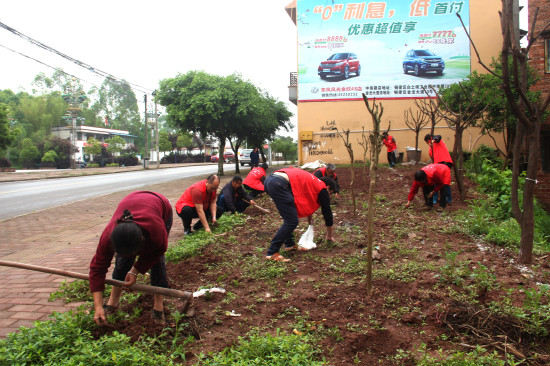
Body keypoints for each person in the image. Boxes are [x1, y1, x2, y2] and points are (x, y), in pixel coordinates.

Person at [89, 191, 173, 325]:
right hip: (134, 202)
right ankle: (112, 304)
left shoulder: (156, 230)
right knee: (122, 262)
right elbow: (97, 269)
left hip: (161, 206)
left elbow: (158, 251)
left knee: (157, 263)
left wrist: (135, 270)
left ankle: (158, 307)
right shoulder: (108, 236)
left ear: (142, 240)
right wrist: (98, 306)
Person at [264, 167, 336, 262]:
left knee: (289, 217)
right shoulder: (322, 187)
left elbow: (306, 199)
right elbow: (327, 213)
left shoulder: (314, 181)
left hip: (271, 180)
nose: (329, 196)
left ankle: (289, 244)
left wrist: (309, 216)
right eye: (330, 193)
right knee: (292, 221)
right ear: (328, 188)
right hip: (279, 183)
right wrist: (329, 236)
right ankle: (272, 252)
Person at [424, 134, 453, 203]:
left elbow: (438, 137)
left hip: (444, 163)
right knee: (439, 181)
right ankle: (438, 198)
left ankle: (446, 199)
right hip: (438, 165)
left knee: (444, 181)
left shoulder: (437, 141)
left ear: (428, 140)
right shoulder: (431, 148)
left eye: (427, 142)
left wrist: (432, 141)